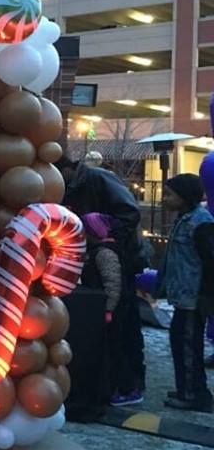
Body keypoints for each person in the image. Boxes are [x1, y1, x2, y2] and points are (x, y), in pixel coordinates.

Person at [56, 156, 147, 392]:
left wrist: (106, 241)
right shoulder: (74, 187)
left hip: (116, 258)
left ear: (65, 170)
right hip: (99, 257)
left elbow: (129, 214)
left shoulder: (98, 179)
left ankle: (129, 382)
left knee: (124, 325)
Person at [157, 174, 214, 412]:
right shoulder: (185, 218)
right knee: (179, 342)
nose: (165, 199)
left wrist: (203, 296)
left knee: (188, 345)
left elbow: (209, 261)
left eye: (170, 194)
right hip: (183, 296)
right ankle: (187, 388)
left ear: (184, 196)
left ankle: (193, 395)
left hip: (193, 298)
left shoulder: (201, 223)